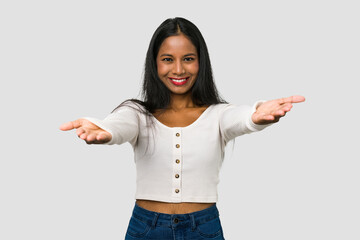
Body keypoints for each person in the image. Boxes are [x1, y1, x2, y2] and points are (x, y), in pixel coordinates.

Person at [60, 17, 305, 240]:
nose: (178, 70)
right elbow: (118, 125)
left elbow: (241, 118)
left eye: (188, 59)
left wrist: (257, 115)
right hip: (146, 228)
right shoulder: (137, 113)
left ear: (201, 62)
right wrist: (103, 131)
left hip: (203, 228)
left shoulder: (218, 115)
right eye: (167, 59)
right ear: (154, 63)